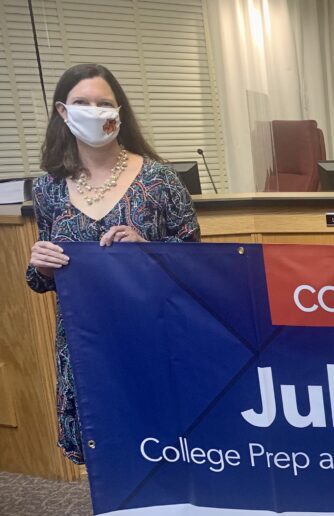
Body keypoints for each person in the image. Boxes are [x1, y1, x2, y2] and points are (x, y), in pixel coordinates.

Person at [26, 63, 200, 465]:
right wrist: (41, 264)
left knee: (163, 449)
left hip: (154, 338)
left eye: (104, 103)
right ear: (62, 113)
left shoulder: (159, 180)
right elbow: (42, 277)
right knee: (105, 456)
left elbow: (196, 261)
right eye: (82, 103)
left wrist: (149, 249)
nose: (94, 111)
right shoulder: (49, 188)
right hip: (85, 346)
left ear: (119, 110)